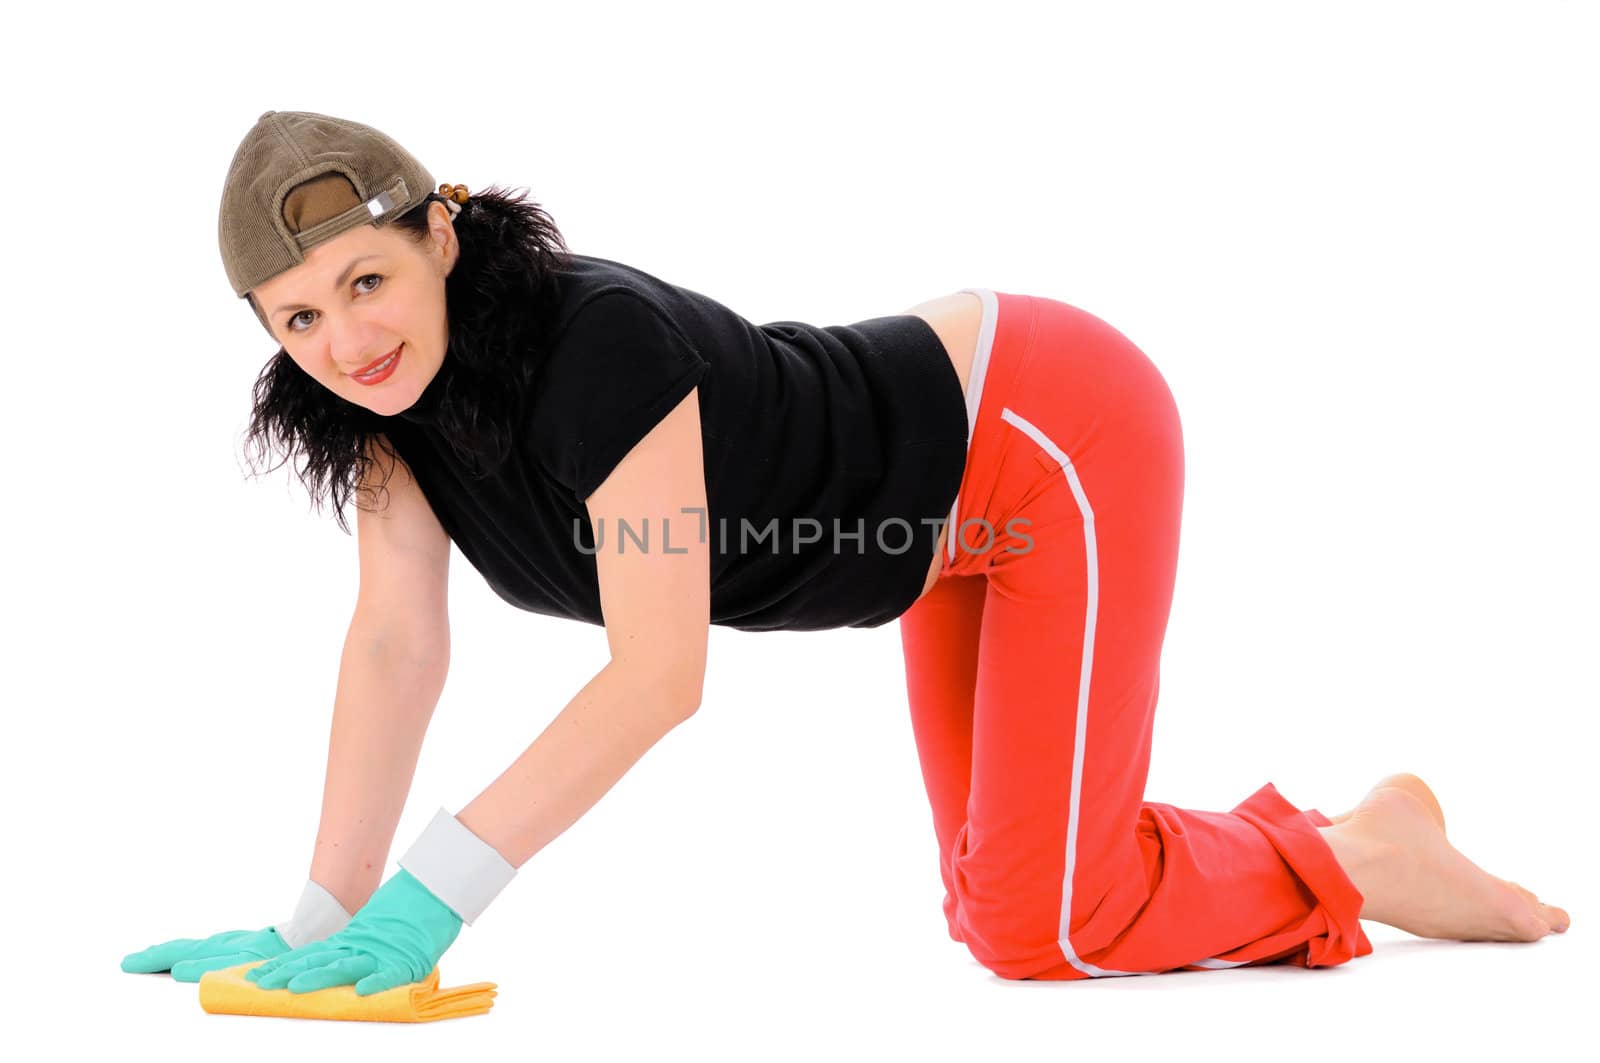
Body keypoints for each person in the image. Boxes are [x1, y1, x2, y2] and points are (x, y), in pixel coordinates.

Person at [122, 110, 1568, 995]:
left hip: (1043, 433)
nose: (347, 343)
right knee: (1007, 910)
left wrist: (440, 892)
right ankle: (1332, 847)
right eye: (297, 319)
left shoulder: (593, 353)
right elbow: (395, 644)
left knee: (1051, 922)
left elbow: (658, 675)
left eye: (364, 283)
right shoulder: (385, 414)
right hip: (925, 540)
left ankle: (1359, 847)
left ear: (442, 235)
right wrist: (319, 918)